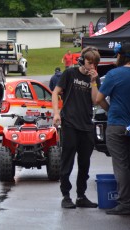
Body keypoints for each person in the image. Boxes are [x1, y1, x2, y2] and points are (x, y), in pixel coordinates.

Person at [52, 46, 101, 209]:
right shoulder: (70, 74)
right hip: (70, 123)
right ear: (82, 61)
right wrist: (56, 114)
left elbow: (95, 101)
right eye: (89, 63)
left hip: (86, 124)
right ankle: (66, 195)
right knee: (68, 160)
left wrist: (94, 82)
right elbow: (55, 92)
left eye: (94, 64)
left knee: (85, 163)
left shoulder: (94, 78)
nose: (91, 67)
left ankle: (81, 195)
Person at [96, 41, 130, 215]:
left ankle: (125, 204)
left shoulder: (114, 74)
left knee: (121, 165)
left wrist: (110, 111)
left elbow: (99, 99)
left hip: (117, 124)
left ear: (120, 56)